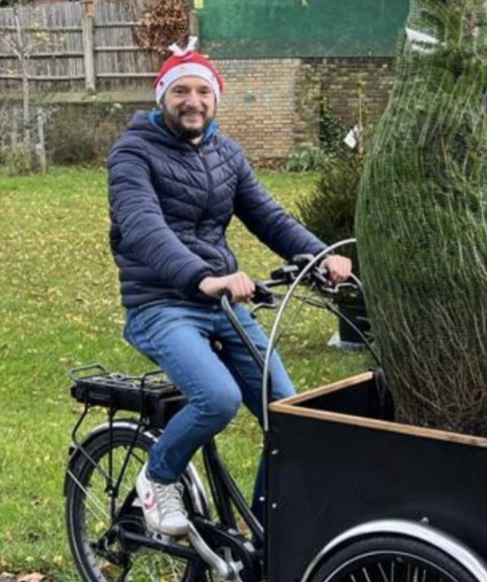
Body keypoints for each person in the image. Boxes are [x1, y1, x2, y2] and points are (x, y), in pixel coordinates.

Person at [108, 38, 351, 537]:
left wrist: (321, 254)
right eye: (181, 91)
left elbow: (267, 216)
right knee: (215, 398)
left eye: (202, 91)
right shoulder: (132, 153)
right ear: (162, 98)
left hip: (222, 302)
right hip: (161, 302)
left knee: (290, 418)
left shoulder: (225, 152)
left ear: (215, 99)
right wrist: (202, 276)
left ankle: (266, 537)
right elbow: (142, 226)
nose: (192, 101)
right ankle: (158, 479)